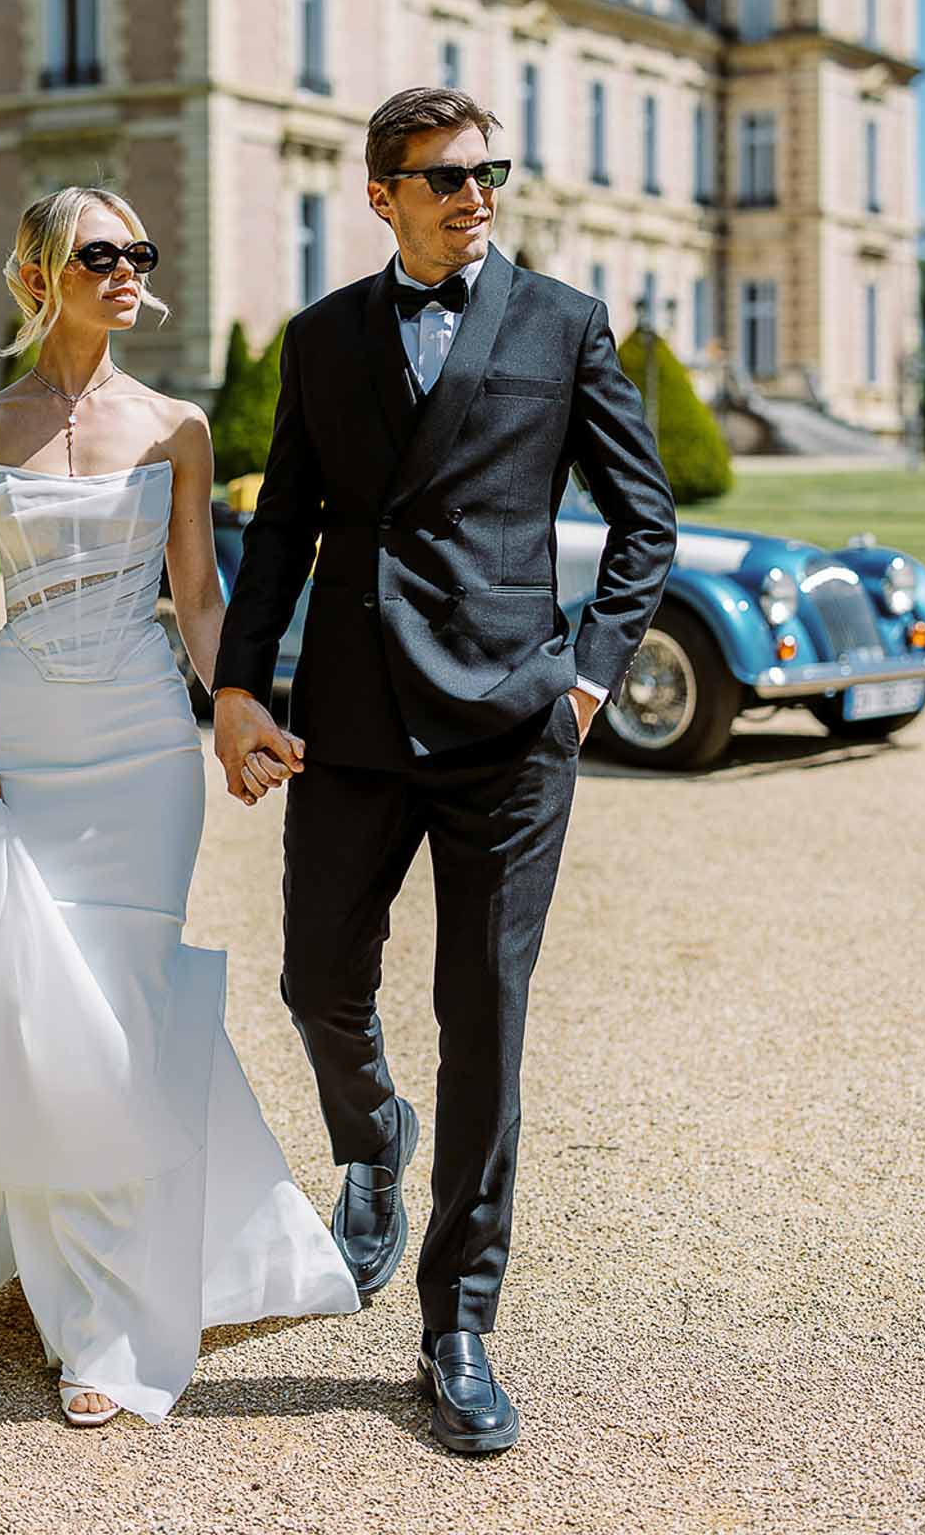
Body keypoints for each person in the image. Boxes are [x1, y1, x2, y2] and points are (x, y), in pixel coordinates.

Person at [0, 185, 358, 1429]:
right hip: (30, 742)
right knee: (40, 1008)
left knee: (123, 1003)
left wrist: (237, 708)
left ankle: (104, 1319)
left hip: (145, 750)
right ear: (40, 273)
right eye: (102, 252)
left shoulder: (177, 426)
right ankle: (71, 1276)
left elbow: (200, 597)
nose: (127, 271)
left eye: (139, 253)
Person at [211, 87, 678, 1455]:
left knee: (483, 1018)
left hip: (508, 727)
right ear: (381, 195)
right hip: (350, 716)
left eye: (489, 171)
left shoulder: (562, 323)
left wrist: (586, 675)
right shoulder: (318, 339)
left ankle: (455, 1323)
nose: (475, 193)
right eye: (444, 176)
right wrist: (238, 686)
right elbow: (284, 520)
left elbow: (642, 519)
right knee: (312, 979)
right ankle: (371, 1144)